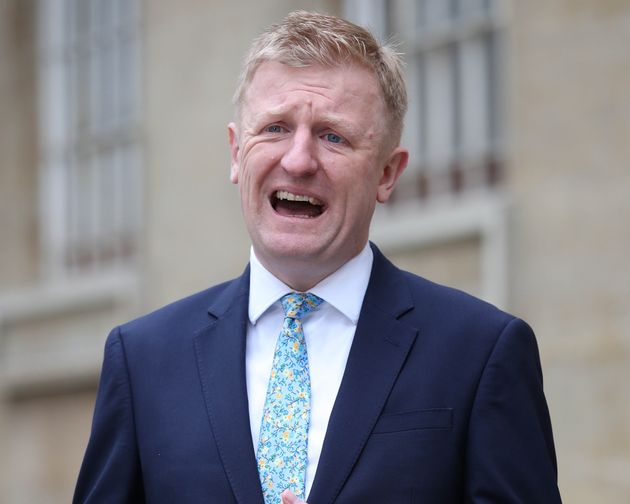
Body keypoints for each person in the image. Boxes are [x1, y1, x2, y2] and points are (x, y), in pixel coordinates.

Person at [74, 11, 562, 504]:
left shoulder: (481, 353)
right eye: (275, 128)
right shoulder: (142, 360)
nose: (299, 160)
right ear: (236, 153)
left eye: (333, 136)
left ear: (387, 174)